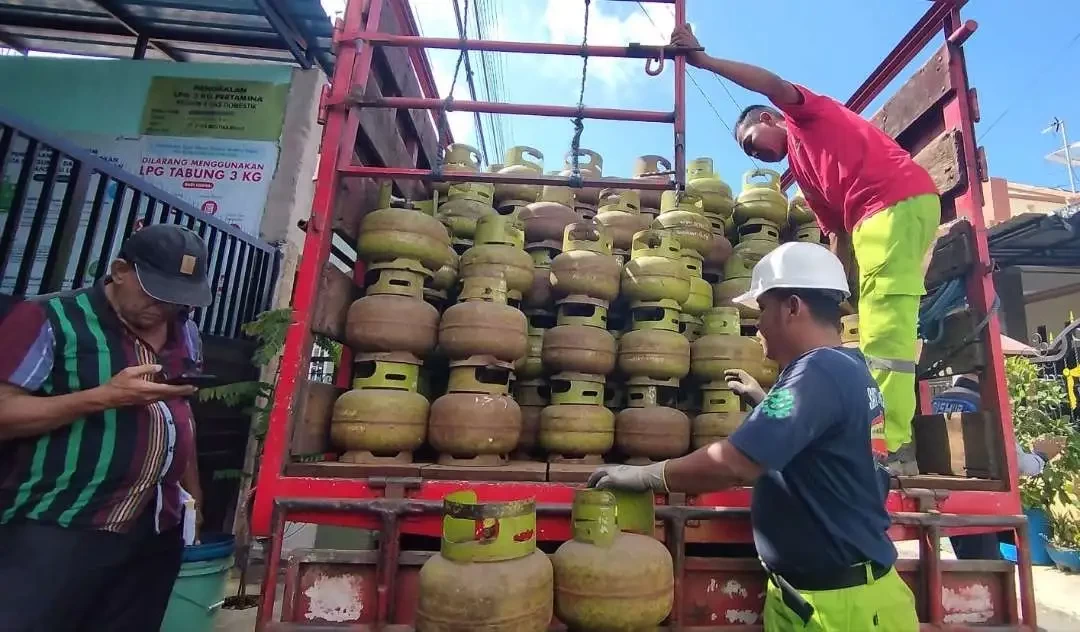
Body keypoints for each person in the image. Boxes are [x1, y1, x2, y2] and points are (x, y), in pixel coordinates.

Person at [589, 242, 918, 631]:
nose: (758, 326)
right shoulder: (848, 366)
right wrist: (765, 402)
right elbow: (824, 446)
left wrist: (648, 476)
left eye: (762, 310)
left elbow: (735, 463)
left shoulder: (818, 372)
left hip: (839, 611)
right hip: (820, 597)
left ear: (793, 307)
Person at [670, 24, 940, 476]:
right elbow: (834, 234)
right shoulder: (804, 170)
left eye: (752, 141)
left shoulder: (805, 117)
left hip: (894, 202)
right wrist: (835, 291)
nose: (756, 154)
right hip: (871, 221)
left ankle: (891, 446)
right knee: (869, 330)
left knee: (886, 336)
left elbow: (771, 84)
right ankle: (874, 436)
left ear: (771, 119)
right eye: (748, 154)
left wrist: (705, 61)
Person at [0, 224, 212, 632]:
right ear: (120, 270)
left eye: (177, 299)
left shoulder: (185, 330)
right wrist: (103, 397)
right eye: (154, 293)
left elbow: (178, 415)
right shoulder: (50, 318)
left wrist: (193, 497)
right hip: (60, 523)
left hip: (155, 528)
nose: (164, 308)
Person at [932, 373, 1064, 560]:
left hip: (944, 494)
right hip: (980, 501)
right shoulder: (986, 404)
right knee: (985, 570)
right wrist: (1041, 455)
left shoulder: (937, 401)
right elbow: (1018, 464)